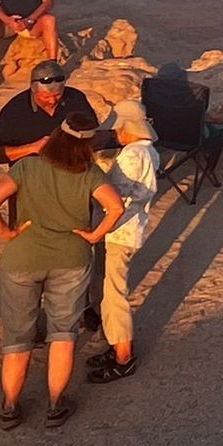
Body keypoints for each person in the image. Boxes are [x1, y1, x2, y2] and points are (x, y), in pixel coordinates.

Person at [0, 113, 124, 430]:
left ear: (58, 135)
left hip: (22, 257)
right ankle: (56, 403)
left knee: (18, 336)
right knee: (63, 332)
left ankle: (9, 406)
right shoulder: (90, 173)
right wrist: (94, 235)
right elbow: (116, 207)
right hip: (71, 258)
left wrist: (5, 231)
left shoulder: (27, 167)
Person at [87, 99, 158, 385]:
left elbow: (114, 194)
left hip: (118, 231)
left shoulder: (131, 155)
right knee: (109, 287)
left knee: (114, 293)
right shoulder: (149, 152)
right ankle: (115, 345)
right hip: (132, 229)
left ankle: (124, 356)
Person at [0, 61, 99, 165]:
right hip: (31, 173)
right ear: (33, 90)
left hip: (72, 168)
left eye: (58, 95)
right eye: (45, 97)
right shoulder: (14, 110)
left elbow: (92, 134)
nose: (52, 101)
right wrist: (32, 148)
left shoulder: (75, 98)